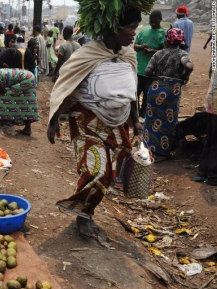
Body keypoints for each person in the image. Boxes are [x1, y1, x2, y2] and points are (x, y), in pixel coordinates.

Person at [48, 6, 144, 239]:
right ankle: (83, 215)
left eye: (135, 27)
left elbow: (131, 91)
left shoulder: (128, 55)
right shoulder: (87, 54)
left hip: (117, 123)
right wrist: (53, 120)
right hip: (86, 120)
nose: (134, 33)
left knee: (110, 174)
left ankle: (87, 210)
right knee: (97, 170)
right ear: (114, 27)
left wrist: (136, 120)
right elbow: (66, 86)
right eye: (130, 27)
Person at [143, 28, 194, 159]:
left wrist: (157, 76)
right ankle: (163, 150)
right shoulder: (182, 54)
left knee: (151, 118)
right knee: (168, 120)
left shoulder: (158, 54)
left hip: (155, 89)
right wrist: (185, 76)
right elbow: (188, 66)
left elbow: (147, 71)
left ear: (167, 39)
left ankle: (149, 146)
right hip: (172, 91)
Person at [0, 67, 39, 136]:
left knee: (5, 98)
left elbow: (4, 92)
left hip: (27, 79)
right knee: (26, 102)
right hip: (29, 77)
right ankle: (27, 129)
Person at [135, 11, 166, 117]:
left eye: (155, 21)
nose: (152, 23)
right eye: (151, 21)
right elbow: (135, 46)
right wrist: (141, 47)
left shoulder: (163, 33)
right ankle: (136, 113)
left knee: (148, 95)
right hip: (139, 68)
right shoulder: (144, 30)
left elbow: (164, 52)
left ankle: (143, 114)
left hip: (152, 71)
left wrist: (152, 51)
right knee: (136, 93)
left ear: (160, 19)